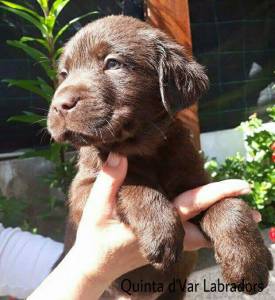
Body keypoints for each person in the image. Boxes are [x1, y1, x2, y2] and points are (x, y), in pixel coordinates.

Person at [0, 153, 258, 300]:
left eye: (114, 64)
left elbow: (7, 252)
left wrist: (227, 219)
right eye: (64, 75)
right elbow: (85, 199)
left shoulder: (175, 146)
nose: (61, 99)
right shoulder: (96, 153)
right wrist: (91, 271)